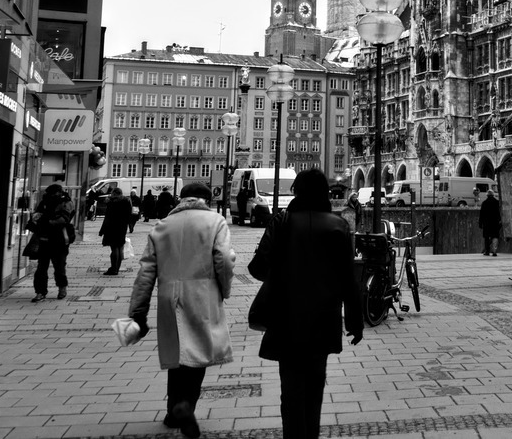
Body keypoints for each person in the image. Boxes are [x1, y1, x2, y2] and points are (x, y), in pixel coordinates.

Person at [249, 169, 362, 439]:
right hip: (324, 317)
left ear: (296, 191)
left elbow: (257, 268)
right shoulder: (339, 226)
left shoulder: (282, 221)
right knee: (315, 387)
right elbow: (349, 280)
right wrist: (356, 322)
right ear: (324, 193)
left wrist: (284, 273)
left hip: (286, 317)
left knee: (290, 389)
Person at [129, 182, 235, 439]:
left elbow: (146, 272)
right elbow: (223, 257)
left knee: (177, 353)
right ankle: (185, 404)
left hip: (168, 296)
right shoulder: (215, 221)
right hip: (202, 294)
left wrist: (138, 311)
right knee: (198, 353)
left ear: (182, 198)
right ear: (206, 200)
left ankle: (172, 410)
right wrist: (224, 287)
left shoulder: (162, 225)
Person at [28, 184, 76, 302]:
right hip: (44, 239)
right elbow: (37, 214)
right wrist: (37, 218)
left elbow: (64, 219)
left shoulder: (66, 202)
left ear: (58, 193)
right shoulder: (44, 202)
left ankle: (62, 288)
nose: (49, 195)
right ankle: (40, 292)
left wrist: (47, 221)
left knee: (59, 267)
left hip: (59, 239)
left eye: (52, 193)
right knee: (41, 268)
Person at [99, 187, 132, 275]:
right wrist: (128, 225)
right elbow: (129, 215)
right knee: (120, 247)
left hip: (111, 227)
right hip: (122, 227)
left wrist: (102, 230)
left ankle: (113, 269)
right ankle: (117, 268)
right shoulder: (127, 201)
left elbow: (108, 216)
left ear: (113, 193)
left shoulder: (111, 202)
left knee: (114, 248)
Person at [479, 190, 502, 256]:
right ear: (493, 195)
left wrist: (480, 223)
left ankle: (487, 251)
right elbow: (500, 213)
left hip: (486, 223)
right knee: (495, 237)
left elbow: (481, 214)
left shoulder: (484, 203)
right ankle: (494, 251)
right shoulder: (497, 203)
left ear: (487, 195)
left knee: (486, 237)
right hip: (495, 223)